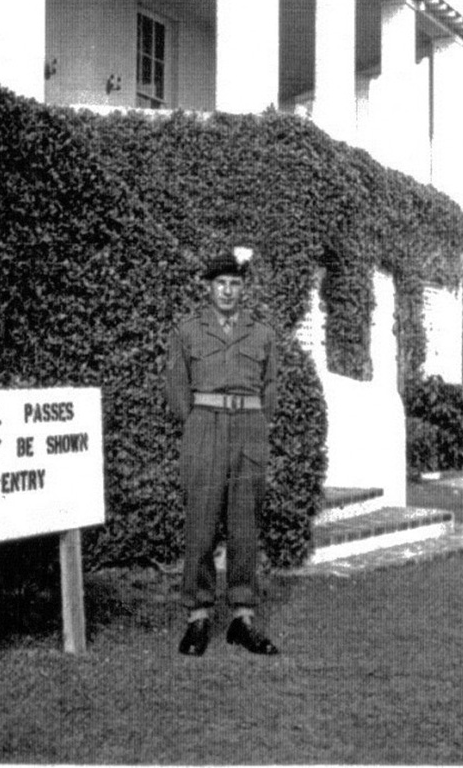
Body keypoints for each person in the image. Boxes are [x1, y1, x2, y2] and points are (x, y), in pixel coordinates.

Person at [165, 249, 280, 657]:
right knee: (201, 522)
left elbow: (270, 389)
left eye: (234, 284)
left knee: (245, 527)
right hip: (205, 430)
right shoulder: (188, 330)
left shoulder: (261, 333)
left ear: (243, 288)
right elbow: (176, 387)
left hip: (249, 432)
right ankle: (197, 617)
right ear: (209, 287)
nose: (228, 291)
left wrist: (252, 423)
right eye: (221, 284)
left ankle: (242, 618)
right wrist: (198, 423)